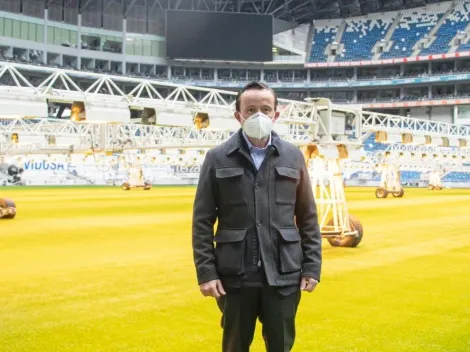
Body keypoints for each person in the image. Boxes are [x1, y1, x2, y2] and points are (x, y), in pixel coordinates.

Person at [192, 81, 322, 352]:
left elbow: (307, 216)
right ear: (238, 115)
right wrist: (206, 272)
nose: (258, 115)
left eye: (265, 108)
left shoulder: (293, 156)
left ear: (276, 114)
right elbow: (202, 221)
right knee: (235, 346)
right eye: (250, 109)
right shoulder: (217, 158)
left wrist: (311, 266)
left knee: (281, 346)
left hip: (284, 274)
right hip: (235, 276)